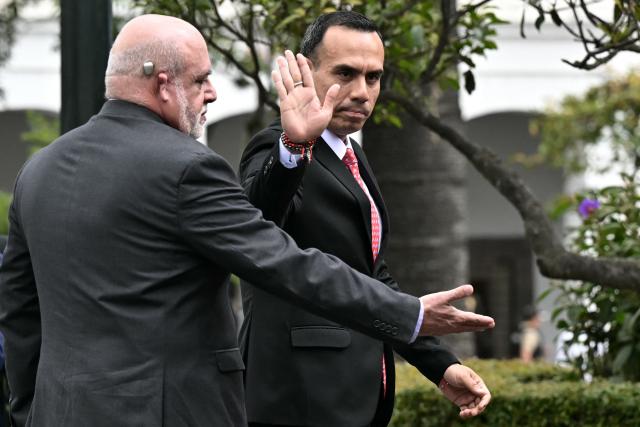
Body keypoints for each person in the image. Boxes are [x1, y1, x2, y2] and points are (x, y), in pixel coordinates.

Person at [0, 14, 494, 427]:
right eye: (201, 80)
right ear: (163, 84)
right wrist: (409, 315)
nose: (213, 94)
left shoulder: (36, 172)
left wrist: (28, 410)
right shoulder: (186, 167)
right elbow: (282, 258)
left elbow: (20, 314)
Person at [239, 11, 491, 427]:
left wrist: (439, 365)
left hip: (358, 397)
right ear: (306, 71)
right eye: (345, 73)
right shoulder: (278, 147)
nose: (361, 91)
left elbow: (371, 277)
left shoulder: (352, 155)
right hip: (295, 397)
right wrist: (293, 146)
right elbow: (254, 226)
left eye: (373, 77)